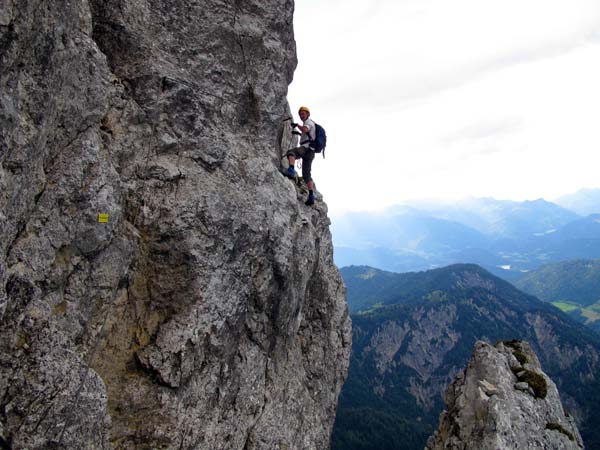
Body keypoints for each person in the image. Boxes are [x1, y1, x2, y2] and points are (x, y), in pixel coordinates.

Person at [286, 106, 317, 206]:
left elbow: (305, 130)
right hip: (310, 151)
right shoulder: (310, 123)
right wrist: (298, 133)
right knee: (306, 175)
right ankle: (311, 196)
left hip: (306, 148)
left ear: (307, 114)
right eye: (300, 114)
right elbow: (307, 135)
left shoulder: (308, 123)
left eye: (303, 114)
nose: (301, 116)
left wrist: (297, 125)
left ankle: (291, 170)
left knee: (291, 153)